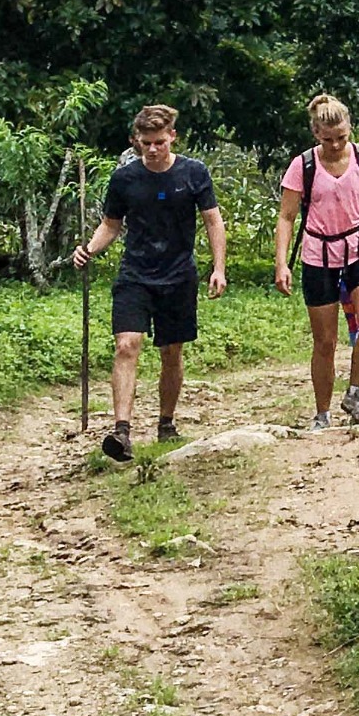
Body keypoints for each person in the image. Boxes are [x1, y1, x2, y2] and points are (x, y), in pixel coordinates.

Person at [71, 103, 228, 462]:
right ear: (136, 141)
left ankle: (166, 422)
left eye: (160, 142)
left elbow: (213, 221)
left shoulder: (193, 173)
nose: (153, 149)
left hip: (178, 275)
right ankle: (121, 431)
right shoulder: (125, 178)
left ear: (172, 136)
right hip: (135, 274)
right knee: (126, 345)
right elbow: (111, 224)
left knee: (171, 351)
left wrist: (218, 267)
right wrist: (89, 250)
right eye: (146, 143)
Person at [273, 94, 359, 431]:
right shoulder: (303, 166)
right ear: (315, 134)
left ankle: (355, 391)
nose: (337, 144)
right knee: (325, 340)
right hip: (318, 255)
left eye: (342, 137)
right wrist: (282, 264)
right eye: (328, 139)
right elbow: (287, 216)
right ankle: (322, 412)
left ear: (350, 129)